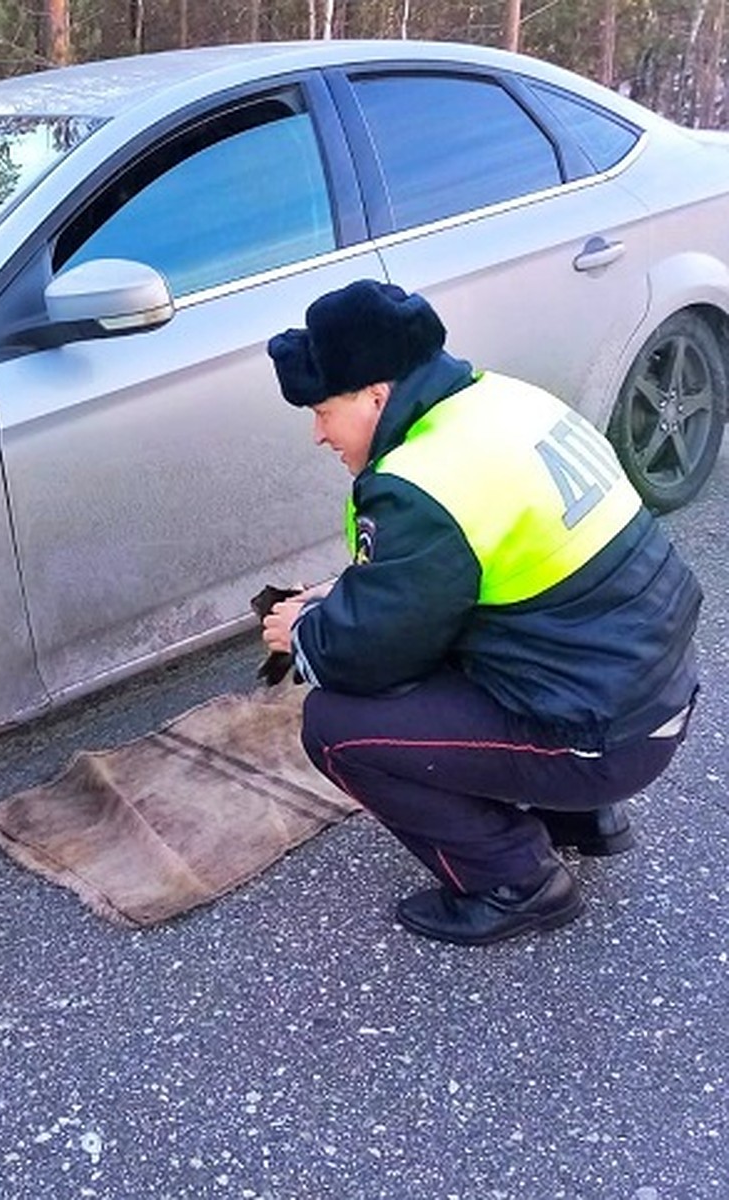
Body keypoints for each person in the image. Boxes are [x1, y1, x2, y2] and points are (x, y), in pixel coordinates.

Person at [261, 279, 700, 947]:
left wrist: (305, 631)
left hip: (604, 738)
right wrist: (338, 597)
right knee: (496, 634)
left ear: (376, 396)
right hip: (652, 693)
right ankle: (585, 819)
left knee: (335, 725)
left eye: (322, 411)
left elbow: (371, 656)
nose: (319, 435)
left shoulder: (418, 480)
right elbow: (470, 573)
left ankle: (517, 883)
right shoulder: (500, 402)